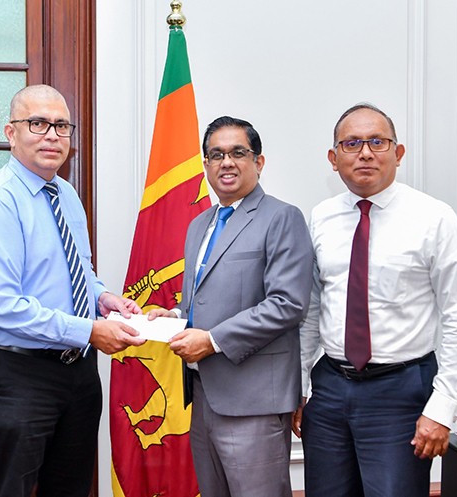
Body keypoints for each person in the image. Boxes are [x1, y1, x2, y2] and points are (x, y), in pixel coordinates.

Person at [0, 84, 145, 497]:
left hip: (77, 371)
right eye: (38, 124)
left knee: (71, 488)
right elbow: (2, 306)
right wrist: (90, 330)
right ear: (11, 133)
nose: (52, 136)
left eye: (61, 126)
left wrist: (103, 298)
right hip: (15, 371)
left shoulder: (65, 194)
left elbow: (79, 271)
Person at [293, 103, 457, 496]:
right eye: (351, 143)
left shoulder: (434, 218)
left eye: (377, 142)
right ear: (333, 159)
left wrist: (443, 408)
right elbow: (310, 310)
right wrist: (299, 387)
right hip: (329, 389)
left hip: (401, 391)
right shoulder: (321, 217)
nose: (365, 153)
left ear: (398, 153)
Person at [147, 116, 314, 497]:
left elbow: (287, 303)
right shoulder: (199, 225)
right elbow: (204, 300)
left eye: (238, 153)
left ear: (259, 162)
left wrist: (212, 340)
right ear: (205, 164)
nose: (227, 162)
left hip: (253, 399)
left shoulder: (281, 217)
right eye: (216, 154)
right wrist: (175, 317)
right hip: (203, 394)